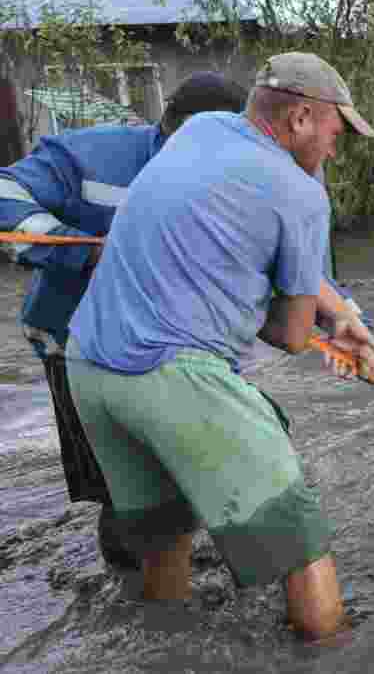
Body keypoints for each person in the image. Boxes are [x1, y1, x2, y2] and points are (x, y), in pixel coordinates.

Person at [65, 52, 374, 643]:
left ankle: (170, 649)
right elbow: (290, 336)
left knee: (166, 545)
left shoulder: (199, 130)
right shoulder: (302, 192)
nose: (336, 151)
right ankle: (331, 649)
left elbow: (213, 228)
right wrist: (331, 333)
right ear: (299, 118)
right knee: (301, 540)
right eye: (335, 133)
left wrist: (339, 312)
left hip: (88, 368)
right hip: (175, 376)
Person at [0, 72, 249, 570]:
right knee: (122, 491)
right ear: (170, 127)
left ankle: (172, 565)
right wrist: (85, 252)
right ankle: (132, 589)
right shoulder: (91, 156)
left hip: (181, 347)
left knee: (195, 474)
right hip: (74, 343)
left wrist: (344, 325)